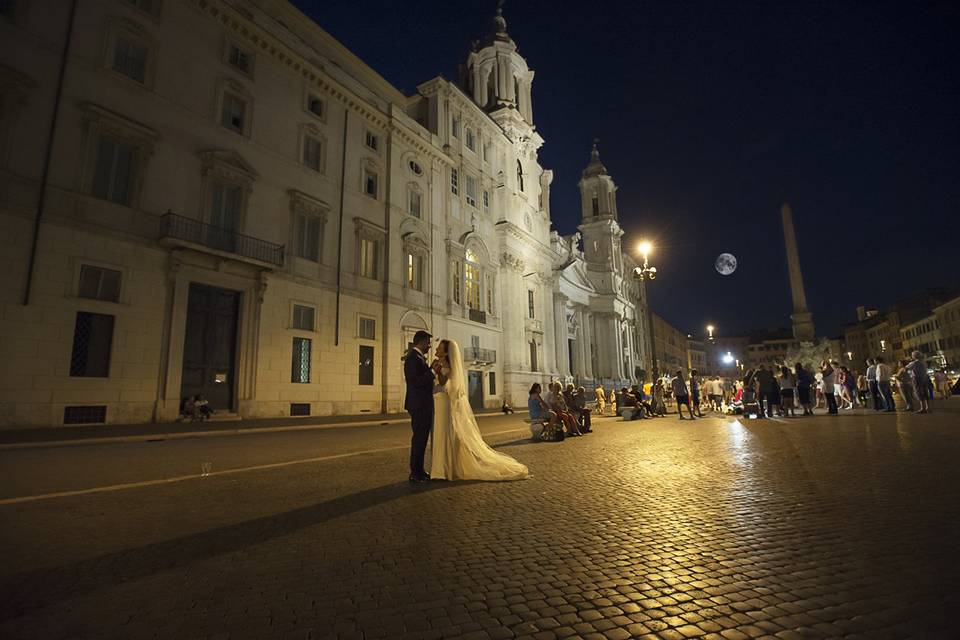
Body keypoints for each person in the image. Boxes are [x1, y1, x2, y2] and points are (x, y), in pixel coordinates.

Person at [429, 339, 529, 480]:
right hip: (438, 403)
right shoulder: (438, 364)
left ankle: (446, 469)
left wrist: (437, 372)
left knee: (446, 434)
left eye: (439, 348)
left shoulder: (447, 366)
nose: (436, 350)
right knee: (441, 435)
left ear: (446, 352)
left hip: (445, 403)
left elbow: (445, 383)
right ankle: (441, 469)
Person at [404, 330, 437, 482]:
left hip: (421, 404)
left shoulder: (418, 358)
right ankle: (415, 473)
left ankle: (420, 470)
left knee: (422, 439)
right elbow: (416, 382)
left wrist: (430, 369)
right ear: (421, 341)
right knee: (419, 439)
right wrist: (432, 372)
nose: (430, 346)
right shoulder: (412, 358)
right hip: (419, 405)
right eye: (429, 343)